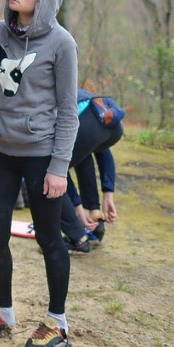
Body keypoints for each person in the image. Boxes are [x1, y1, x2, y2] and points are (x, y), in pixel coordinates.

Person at [0, 0, 78, 347]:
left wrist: (59, 167)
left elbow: (69, 111)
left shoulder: (62, 44)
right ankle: (4, 313)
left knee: (50, 240)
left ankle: (57, 324)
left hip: (41, 155)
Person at [59, 88, 124, 252]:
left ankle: (77, 238)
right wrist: (108, 192)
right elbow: (103, 150)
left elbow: (58, 169)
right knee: (84, 155)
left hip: (87, 125)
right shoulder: (75, 91)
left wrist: (77, 208)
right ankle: (95, 222)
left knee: (50, 170)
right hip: (113, 124)